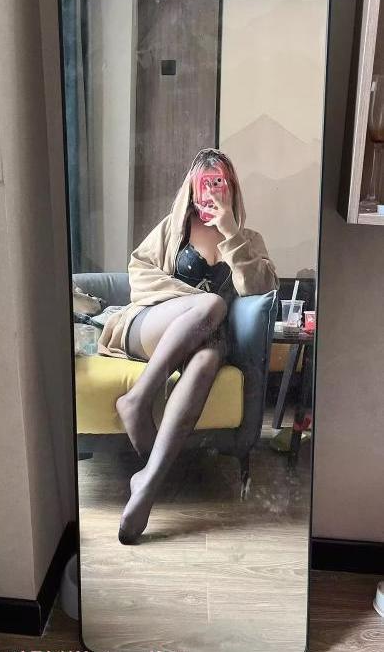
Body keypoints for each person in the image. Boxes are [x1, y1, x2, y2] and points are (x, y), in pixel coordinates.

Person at [97, 148, 278, 544]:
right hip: (150, 327)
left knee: (210, 356)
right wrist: (194, 304)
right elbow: (138, 273)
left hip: (204, 343)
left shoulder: (248, 239)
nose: (211, 190)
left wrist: (231, 233)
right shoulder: (172, 229)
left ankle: (147, 483)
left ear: (231, 188)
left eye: (219, 182)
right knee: (212, 305)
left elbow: (260, 289)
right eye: (204, 182)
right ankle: (138, 398)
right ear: (192, 187)